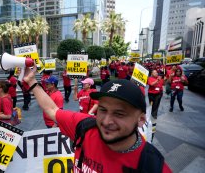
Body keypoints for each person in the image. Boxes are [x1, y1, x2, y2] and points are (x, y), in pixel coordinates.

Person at [22, 65, 172, 172]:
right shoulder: (85, 126)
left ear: (141, 119)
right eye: (102, 110)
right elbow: (52, 109)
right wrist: (31, 82)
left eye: (119, 114)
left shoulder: (152, 166)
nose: (106, 121)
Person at [147, 70, 164, 141]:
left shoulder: (160, 78)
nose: (156, 73)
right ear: (151, 73)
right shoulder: (150, 78)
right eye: (154, 72)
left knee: (155, 106)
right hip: (151, 94)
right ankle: (149, 115)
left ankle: (154, 116)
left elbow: (163, 84)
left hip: (158, 94)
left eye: (157, 72)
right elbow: (152, 84)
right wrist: (157, 80)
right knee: (150, 106)